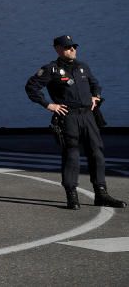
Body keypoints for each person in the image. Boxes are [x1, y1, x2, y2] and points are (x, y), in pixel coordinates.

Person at [25, 35, 126, 210]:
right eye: (67, 47)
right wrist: (49, 105)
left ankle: (101, 193)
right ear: (57, 49)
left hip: (88, 115)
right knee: (71, 155)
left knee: (97, 153)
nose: (72, 50)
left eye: (73, 46)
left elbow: (95, 84)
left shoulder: (82, 67)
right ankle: (72, 195)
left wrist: (96, 96)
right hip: (68, 116)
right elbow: (31, 87)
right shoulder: (52, 69)